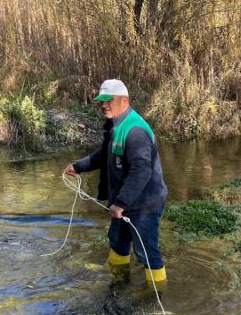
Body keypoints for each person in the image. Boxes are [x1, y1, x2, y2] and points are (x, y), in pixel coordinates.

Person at [64, 79, 168, 284]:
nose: (103, 105)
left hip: (144, 204)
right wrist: (78, 167)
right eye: (101, 101)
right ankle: (117, 277)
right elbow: (105, 155)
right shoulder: (115, 125)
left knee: (146, 251)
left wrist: (120, 203)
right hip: (124, 202)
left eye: (108, 100)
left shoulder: (135, 131)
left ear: (124, 100)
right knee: (118, 241)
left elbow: (141, 171)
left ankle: (155, 293)